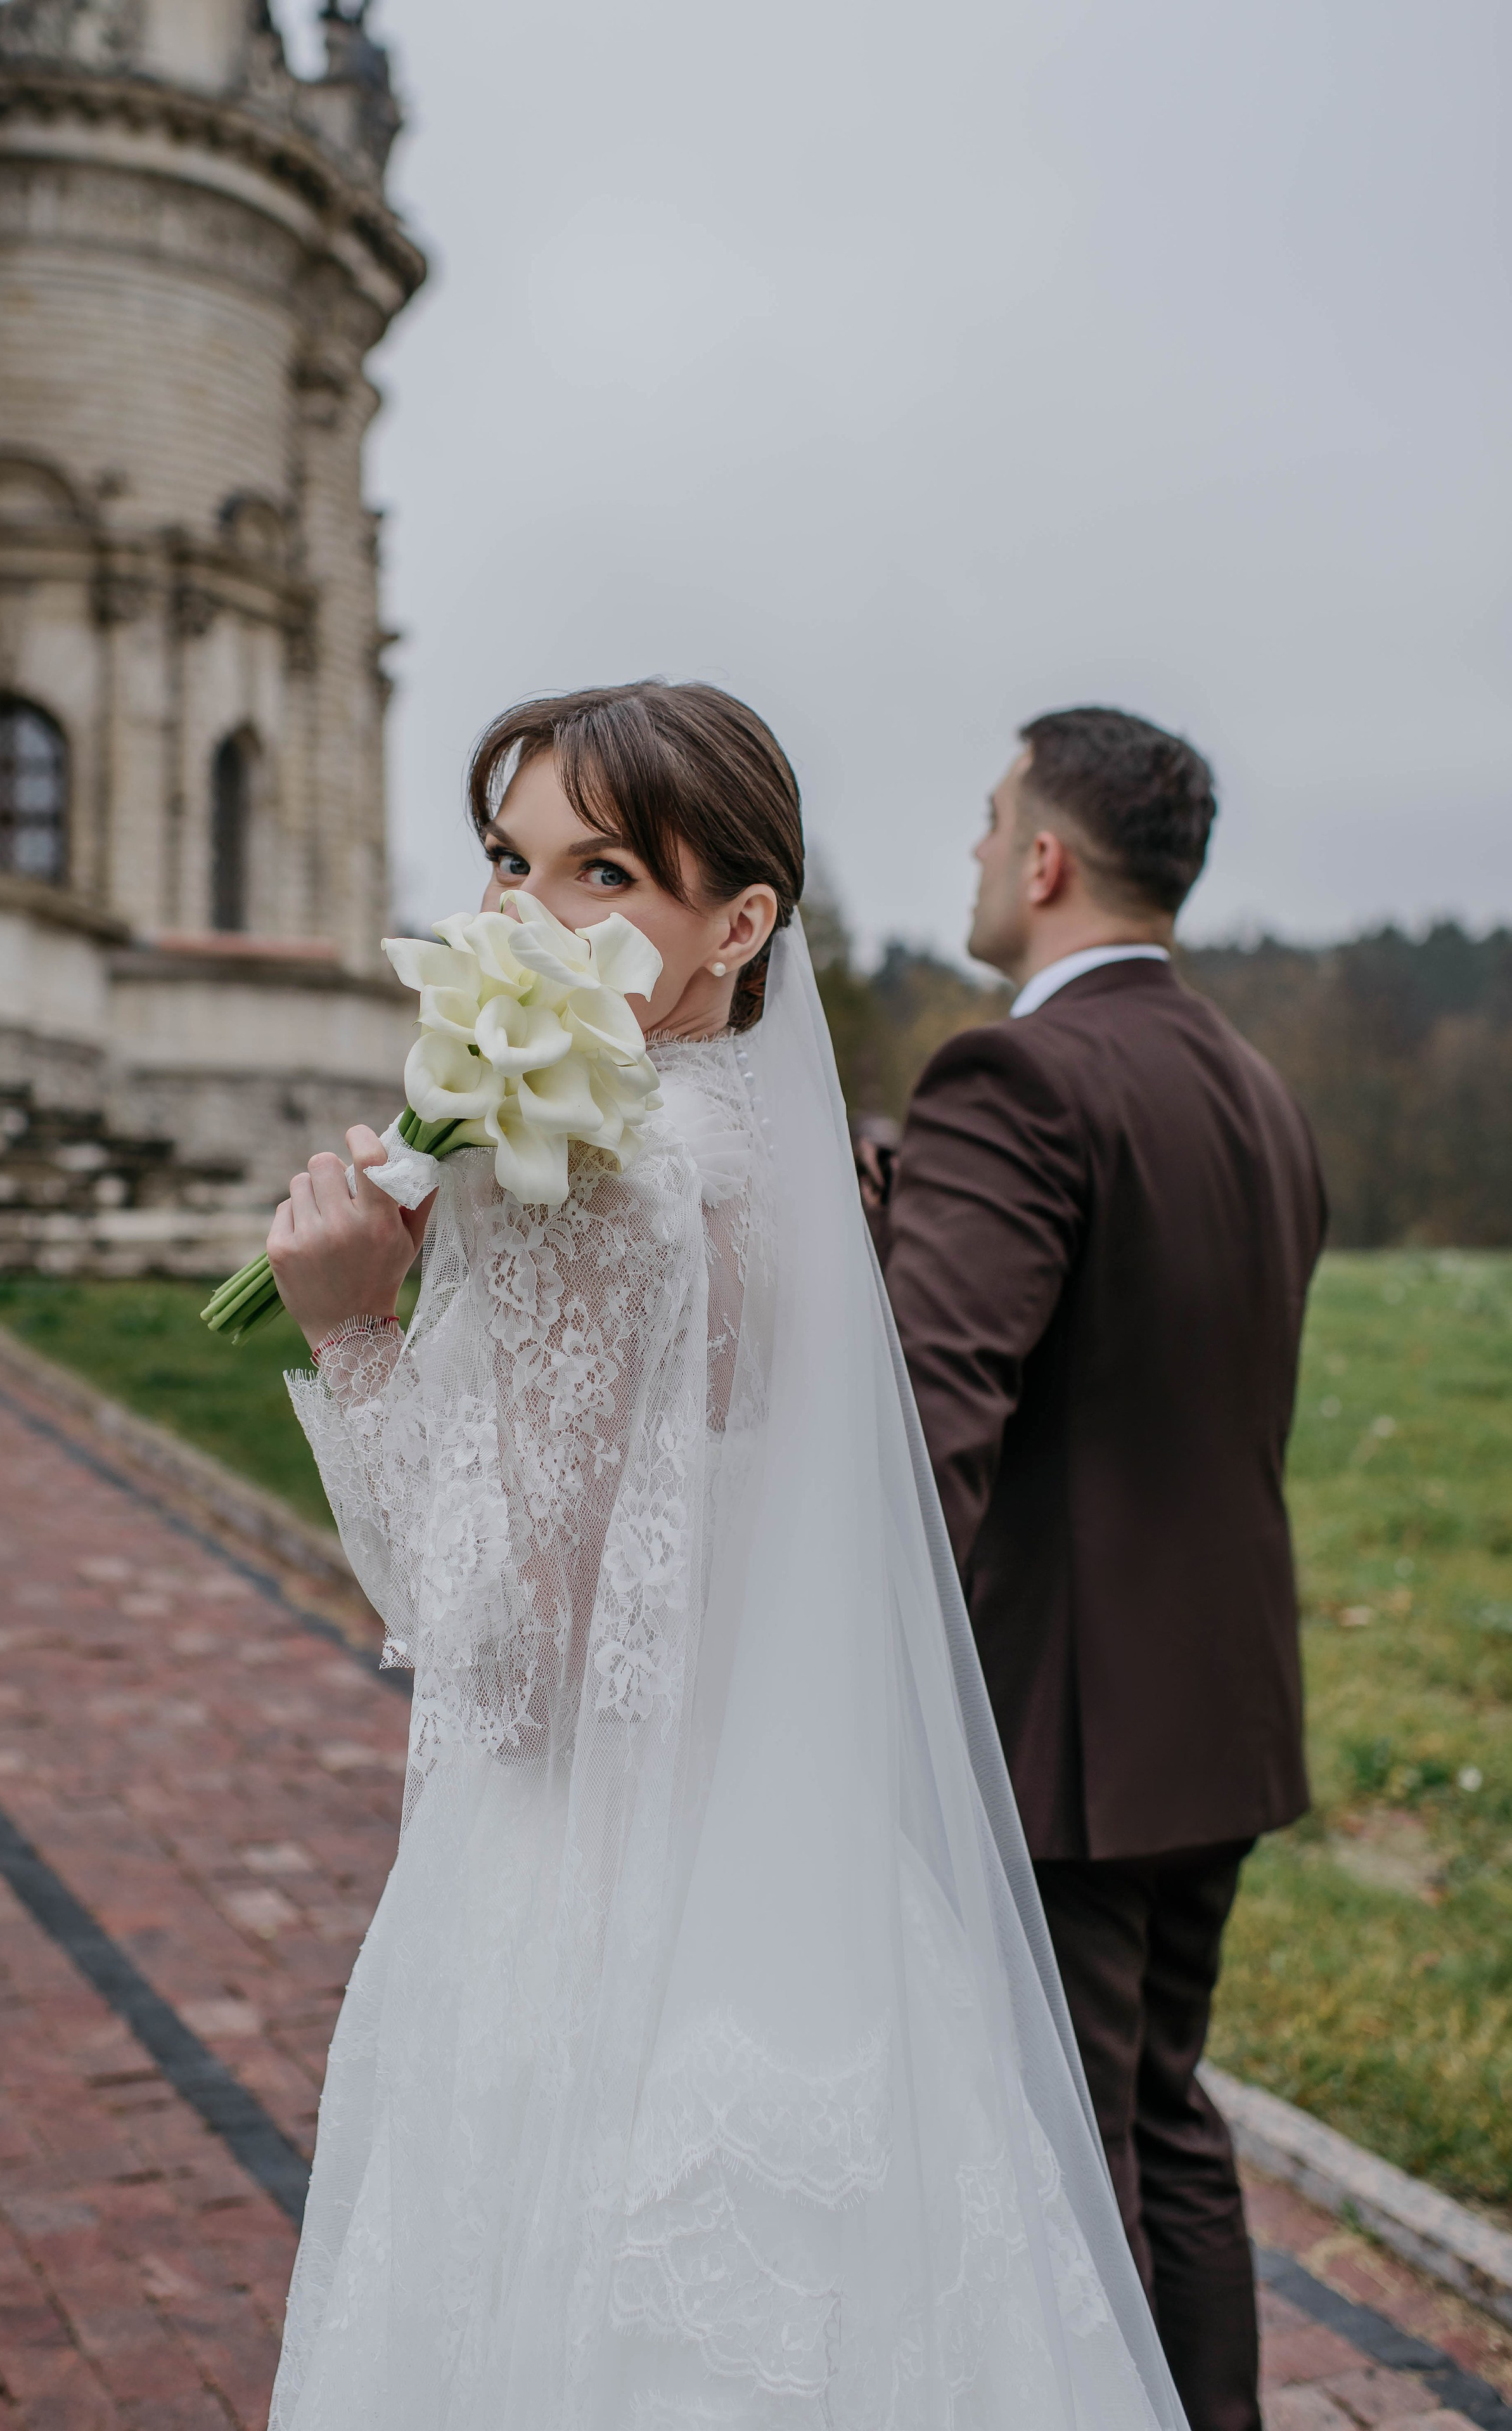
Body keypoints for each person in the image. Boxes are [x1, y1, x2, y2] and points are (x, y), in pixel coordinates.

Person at [262, 680, 1190, 2430]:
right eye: (507, 859)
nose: (524, 917)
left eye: (601, 871)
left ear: (739, 925)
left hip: (592, 1879)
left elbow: (507, 1655)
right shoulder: (766, 1155)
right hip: (795, 1862)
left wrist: (354, 1334)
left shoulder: (602, 1169)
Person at [870, 708, 1327, 2431]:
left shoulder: (1020, 1071)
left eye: (992, 822)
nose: (978, 853)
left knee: (1067, 2161)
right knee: (1164, 2118)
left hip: (1068, 1728)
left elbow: (938, 1420)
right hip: (1225, 1710)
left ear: (1045, 859)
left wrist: (856, 1676)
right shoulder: (1255, 1087)